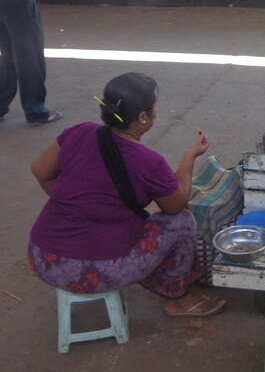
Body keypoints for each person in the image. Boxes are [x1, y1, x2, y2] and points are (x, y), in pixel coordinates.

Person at [28, 73, 226, 317]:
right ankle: (177, 299)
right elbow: (175, 206)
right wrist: (189, 156)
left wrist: (74, 205)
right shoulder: (148, 162)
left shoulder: (79, 132)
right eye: (155, 106)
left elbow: (40, 171)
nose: (157, 110)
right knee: (182, 222)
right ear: (143, 117)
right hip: (96, 273)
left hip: (42, 257)